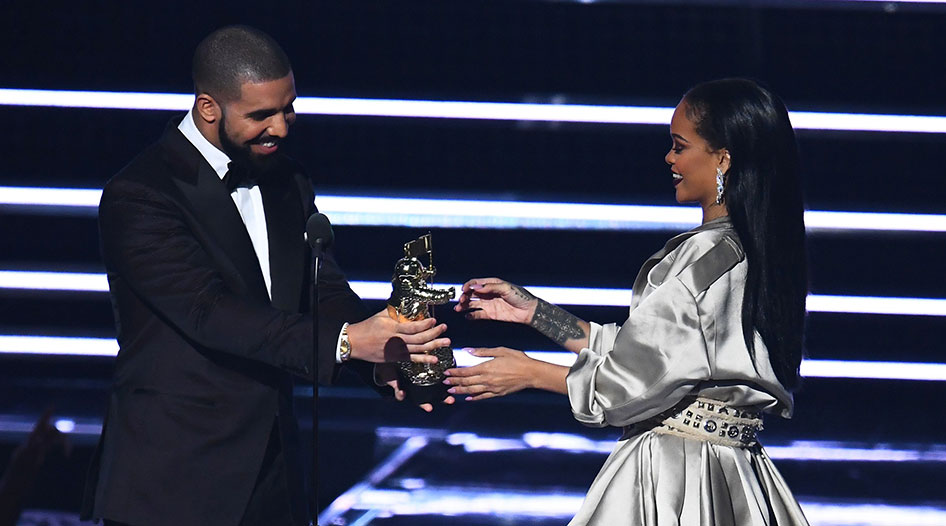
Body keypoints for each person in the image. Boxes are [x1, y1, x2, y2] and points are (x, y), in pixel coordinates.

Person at [80, 25, 452, 526]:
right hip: (174, 481)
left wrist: (380, 352)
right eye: (261, 115)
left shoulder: (287, 180)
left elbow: (321, 288)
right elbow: (208, 311)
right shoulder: (140, 194)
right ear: (209, 108)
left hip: (273, 474)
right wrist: (345, 342)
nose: (281, 126)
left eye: (288, 107)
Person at [445, 78, 810, 525]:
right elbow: (654, 351)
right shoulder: (756, 249)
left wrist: (530, 373)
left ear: (723, 158)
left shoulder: (702, 258)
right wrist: (536, 315)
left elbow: (629, 384)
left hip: (676, 476)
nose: (669, 159)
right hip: (736, 474)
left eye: (680, 146)